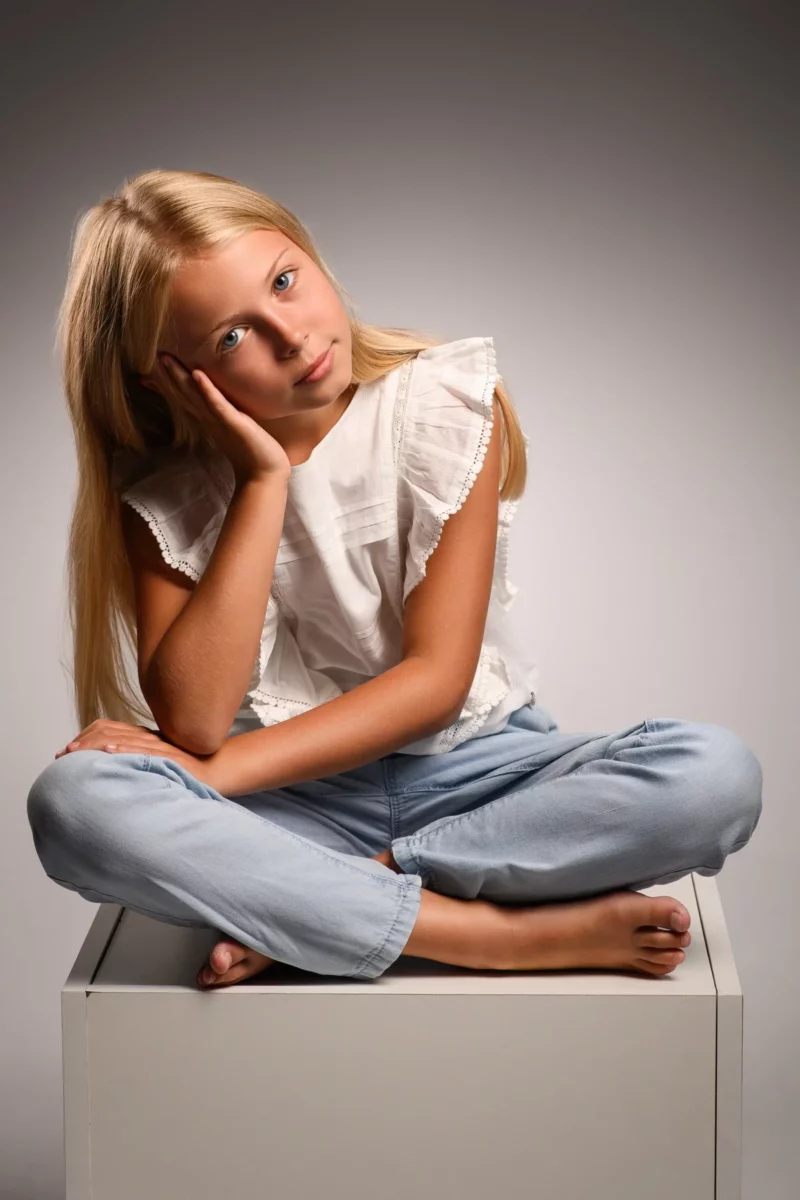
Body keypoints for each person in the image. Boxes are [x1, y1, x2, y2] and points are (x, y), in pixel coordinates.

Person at [26, 168, 763, 989]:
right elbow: (195, 721)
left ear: (311, 254)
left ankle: (327, 905)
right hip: (291, 808)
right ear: (165, 378)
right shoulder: (162, 503)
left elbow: (436, 682)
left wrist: (216, 778)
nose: (292, 336)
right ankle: (485, 937)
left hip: (482, 779)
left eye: (284, 282)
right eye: (232, 336)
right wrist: (262, 484)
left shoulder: (441, 406)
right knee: (73, 806)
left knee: (714, 776)